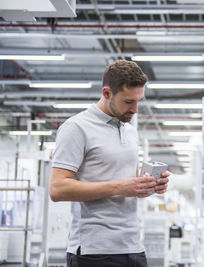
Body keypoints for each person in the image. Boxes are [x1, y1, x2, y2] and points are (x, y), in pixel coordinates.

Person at [49, 60, 170, 267]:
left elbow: (127, 182)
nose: (135, 109)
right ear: (107, 93)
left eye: (139, 100)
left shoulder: (129, 129)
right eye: (128, 102)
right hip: (95, 252)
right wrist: (120, 187)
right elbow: (57, 189)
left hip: (133, 247)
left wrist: (148, 185)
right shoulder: (76, 128)